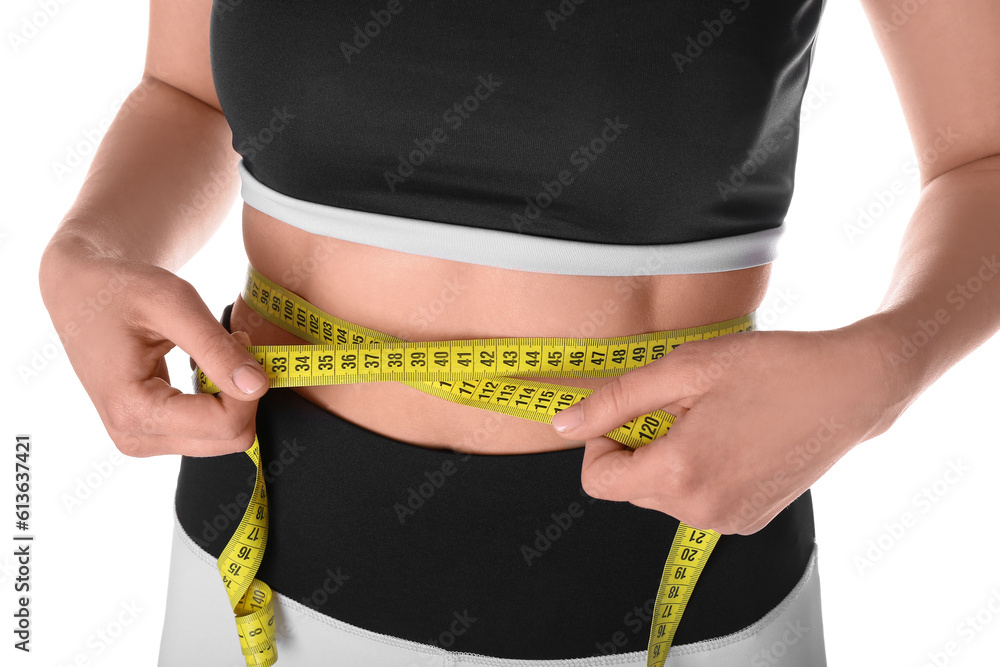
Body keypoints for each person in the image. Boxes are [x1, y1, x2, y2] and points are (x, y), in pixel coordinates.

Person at [36, 0, 1000, 665]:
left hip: (666, 557)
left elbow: (983, 158)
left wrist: (889, 365)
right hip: (256, 545)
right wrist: (86, 247)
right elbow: (185, 91)